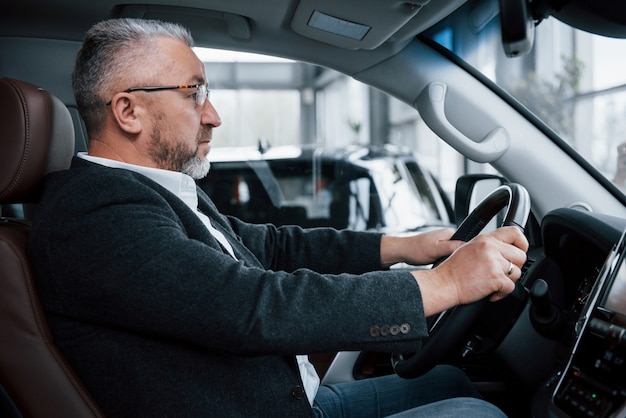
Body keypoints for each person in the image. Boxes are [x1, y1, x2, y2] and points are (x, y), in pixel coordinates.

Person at [28, 18, 528, 417]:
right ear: (128, 112)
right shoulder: (96, 215)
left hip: (283, 398)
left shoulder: (152, 193)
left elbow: (272, 247)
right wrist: (444, 285)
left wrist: (404, 247)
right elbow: (252, 306)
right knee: (473, 412)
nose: (213, 115)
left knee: (452, 382)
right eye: (193, 92)